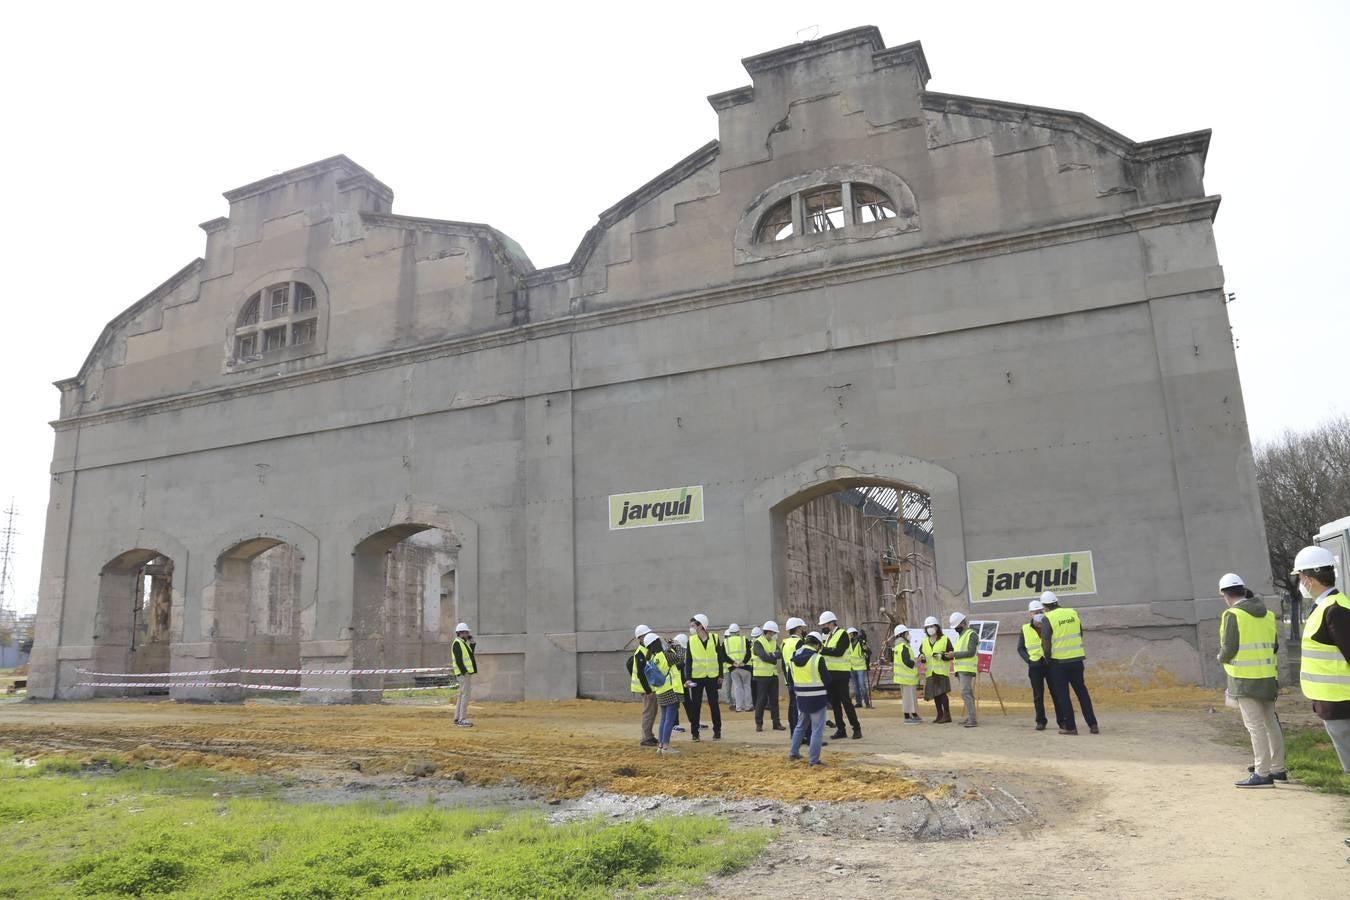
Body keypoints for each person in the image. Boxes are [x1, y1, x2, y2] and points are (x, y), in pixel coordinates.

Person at [1216, 573, 1285, 787]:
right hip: (1267, 678)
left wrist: (1220, 657)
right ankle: (1278, 769)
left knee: (1255, 726)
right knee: (1271, 723)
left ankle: (1262, 773)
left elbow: (1229, 648)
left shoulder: (1232, 615)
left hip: (1244, 681)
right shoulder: (1267, 614)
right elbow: (1274, 646)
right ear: (1243, 589)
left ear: (1224, 594)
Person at [1290, 546, 1350, 773]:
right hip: (1333, 703)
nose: (1299, 583)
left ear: (1308, 580)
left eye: (1299, 578)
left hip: (1342, 705)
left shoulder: (1335, 610)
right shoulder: (1326, 607)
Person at [1041, 591, 1099, 735]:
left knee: (1063, 695)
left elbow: (1046, 643)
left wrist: (1048, 660)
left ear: (1044, 606)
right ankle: (1093, 724)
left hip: (1059, 662)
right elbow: (1080, 633)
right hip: (1077, 659)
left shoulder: (1048, 618)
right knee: (1082, 692)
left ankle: (1070, 727)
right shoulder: (1072, 612)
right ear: (1057, 601)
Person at [788, 631, 831, 766]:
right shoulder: (818, 658)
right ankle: (813, 760)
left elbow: (790, 679)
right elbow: (827, 680)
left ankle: (793, 753)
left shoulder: (794, 656)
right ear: (817, 644)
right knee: (817, 730)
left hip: (801, 697)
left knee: (800, 726)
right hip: (817, 699)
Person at [818, 611, 862, 739]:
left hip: (841, 674)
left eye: (824, 624)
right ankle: (841, 729)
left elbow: (838, 652)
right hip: (831, 674)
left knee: (846, 702)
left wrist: (822, 649)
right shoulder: (830, 636)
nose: (823, 627)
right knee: (835, 704)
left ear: (831, 623)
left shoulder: (842, 634)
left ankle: (856, 728)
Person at [685, 613, 728, 742]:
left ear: (701, 626)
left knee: (714, 704)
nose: (691, 628)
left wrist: (720, 675)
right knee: (696, 705)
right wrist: (688, 678)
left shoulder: (715, 639)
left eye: (693, 625)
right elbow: (689, 661)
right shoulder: (691, 640)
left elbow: (720, 658)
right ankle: (695, 733)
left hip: (712, 677)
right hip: (696, 678)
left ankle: (717, 731)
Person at [644, 633, 684, 755]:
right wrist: (678, 646)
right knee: (669, 719)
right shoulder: (665, 655)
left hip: (660, 691)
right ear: (656, 642)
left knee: (663, 719)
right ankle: (666, 746)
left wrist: (670, 648)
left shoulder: (653, 658)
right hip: (670, 690)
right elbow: (681, 657)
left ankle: (661, 746)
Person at [1017, 600, 1051, 731]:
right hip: (1035, 666)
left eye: (1041, 611)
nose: (1039, 614)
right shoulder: (1025, 629)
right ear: (1030, 614)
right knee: (1038, 695)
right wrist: (1029, 660)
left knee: (1056, 693)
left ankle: (1062, 721)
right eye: (1036, 612)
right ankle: (1040, 721)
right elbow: (1020, 648)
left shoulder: (1050, 624)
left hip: (1050, 664)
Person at [752, 620, 786, 732]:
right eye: (773, 632)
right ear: (769, 632)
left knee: (774, 701)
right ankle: (759, 724)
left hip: (772, 675)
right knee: (761, 700)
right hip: (761, 676)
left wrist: (771, 656)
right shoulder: (758, 642)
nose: (774, 634)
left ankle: (776, 723)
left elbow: (780, 654)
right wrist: (773, 657)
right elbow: (764, 657)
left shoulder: (773, 642)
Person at [628, 624, 658, 746]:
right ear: (640, 638)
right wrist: (648, 690)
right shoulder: (641, 653)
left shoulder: (647, 650)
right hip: (646, 689)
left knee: (652, 711)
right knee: (648, 712)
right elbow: (641, 674)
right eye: (645, 635)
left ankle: (649, 735)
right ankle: (646, 738)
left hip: (650, 688)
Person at [919, 615, 952, 723]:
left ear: (937, 627)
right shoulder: (924, 641)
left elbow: (951, 654)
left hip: (941, 671)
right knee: (935, 694)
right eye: (927, 627)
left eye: (932, 626)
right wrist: (922, 658)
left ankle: (947, 715)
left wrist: (941, 656)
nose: (930, 628)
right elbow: (922, 654)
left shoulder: (944, 639)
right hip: (930, 672)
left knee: (942, 693)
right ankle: (940, 714)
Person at [949, 612, 979, 727]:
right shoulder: (960, 636)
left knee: (965, 693)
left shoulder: (971, 634)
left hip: (967, 669)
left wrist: (954, 654)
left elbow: (971, 652)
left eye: (957, 626)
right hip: (961, 669)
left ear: (962, 623)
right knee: (967, 694)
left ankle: (972, 720)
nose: (956, 628)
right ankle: (971, 717)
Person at [781, 617, 808, 736]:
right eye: (802, 628)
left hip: (789, 677)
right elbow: (802, 661)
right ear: (797, 629)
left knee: (792, 706)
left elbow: (783, 663)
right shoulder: (799, 642)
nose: (803, 630)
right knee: (800, 708)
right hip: (798, 678)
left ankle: (793, 732)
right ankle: (801, 734)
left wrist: (787, 679)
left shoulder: (785, 643)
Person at [891, 623, 920, 722]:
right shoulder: (904, 647)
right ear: (902, 634)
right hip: (907, 678)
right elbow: (908, 662)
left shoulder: (897, 646)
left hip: (904, 678)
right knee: (908, 699)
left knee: (909, 698)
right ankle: (907, 717)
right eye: (907, 633)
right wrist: (917, 660)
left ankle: (913, 715)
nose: (909, 635)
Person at [451, 622, 477, 727]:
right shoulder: (457, 643)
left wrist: (472, 644)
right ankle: (462, 719)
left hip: (463, 673)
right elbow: (458, 660)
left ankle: (457, 718)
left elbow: (470, 656)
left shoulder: (462, 643)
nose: (468, 634)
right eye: (466, 632)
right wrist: (464, 671)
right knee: (465, 695)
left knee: (461, 695)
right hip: (463, 674)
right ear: (461, 633)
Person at [724, 623, 752, 712]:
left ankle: (738, 707)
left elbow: (723, 656)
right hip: (745, 667)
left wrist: (733, 663)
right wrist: (743, 662)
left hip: (733, 668)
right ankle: (748, 706)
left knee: (737, 687)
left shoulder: (725, 642)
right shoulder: (744, 640)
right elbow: (749, 653)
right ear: (738, 631)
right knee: (747, 686)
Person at [846, 627, 872, 710]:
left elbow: (868, 652)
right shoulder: (848, 644)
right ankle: (858, 702)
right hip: (852, 667)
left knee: (862, 685)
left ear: (854, 634)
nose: (849, 636)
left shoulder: (861, 642)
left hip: (861, 667)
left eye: (850, 634)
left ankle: (867, 702)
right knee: (855, 686)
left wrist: (864, 643)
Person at [670, 632, 689, 732]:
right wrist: (681, 664)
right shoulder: (670, 653)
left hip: (682, 682)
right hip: (674, 684)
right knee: (675, 703)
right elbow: (673, 667)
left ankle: (694, 722)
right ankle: (674, 724)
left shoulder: (681, 652)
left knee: (688, 702)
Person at [749, 625, 763, 710]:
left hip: (752, 667)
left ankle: (755, 703)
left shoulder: (751, 643)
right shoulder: (761, 642)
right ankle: (762, 704)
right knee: (761, 688)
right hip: (760, 668)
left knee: (753, 687)